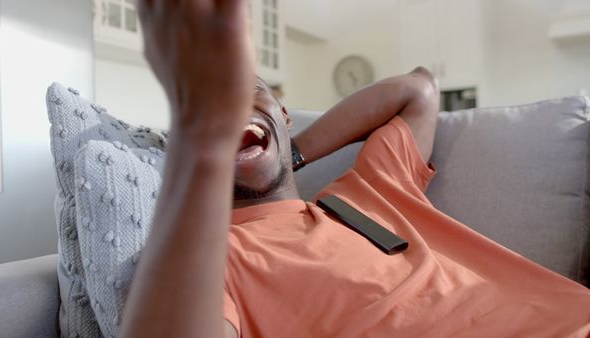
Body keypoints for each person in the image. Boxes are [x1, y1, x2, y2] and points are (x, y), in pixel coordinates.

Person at [121, 1, 590, 337]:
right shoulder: (212, 258)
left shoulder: (368, 191)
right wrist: (202, 135)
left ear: (283, 117)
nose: (232, 104)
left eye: (250, 90)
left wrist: (293, 153)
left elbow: (419, 88)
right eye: (216, 102)